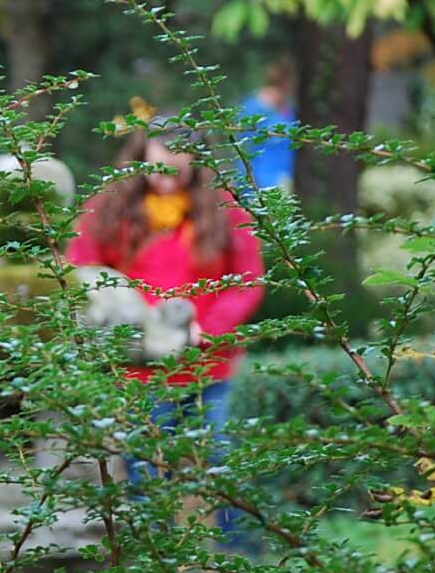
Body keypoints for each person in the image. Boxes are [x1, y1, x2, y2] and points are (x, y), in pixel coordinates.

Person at [66, 119, 266, 544]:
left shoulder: (224, 209)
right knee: (148, 483)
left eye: (176, 164)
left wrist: (207, 329)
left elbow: (248, 279)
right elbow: (83, 275)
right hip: (141, 377)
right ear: (141, 156)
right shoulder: (108, 208)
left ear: (196, 162)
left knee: (227, 473)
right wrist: (126, 329)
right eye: (157, 162)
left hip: (212, 371)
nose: (165, 173)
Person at [236, 61, 297, 193]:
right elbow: (245, 146)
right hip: (257, 181)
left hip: (286, 180)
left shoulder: (291, 109)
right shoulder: (253, 108)